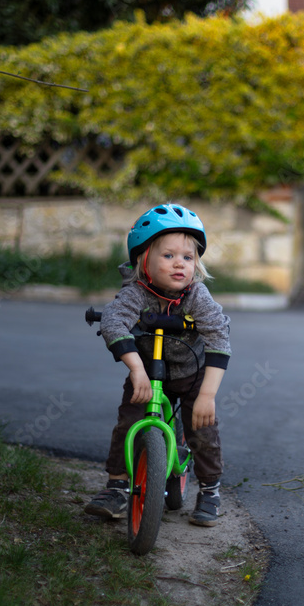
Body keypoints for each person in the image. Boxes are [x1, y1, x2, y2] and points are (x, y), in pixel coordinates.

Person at [85, 204, 230, 527]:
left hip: (193, 374)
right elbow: (113, 322)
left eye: (188, 257)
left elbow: (219, 336)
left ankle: (209, 490)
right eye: (168, 256)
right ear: (143, 259)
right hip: (147, 372)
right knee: (128, 423)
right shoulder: (135, 293)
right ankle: (117, 486)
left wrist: (208, 393)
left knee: (202, 429)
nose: (180, 263)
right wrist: (136, 369)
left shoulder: (197, 295)